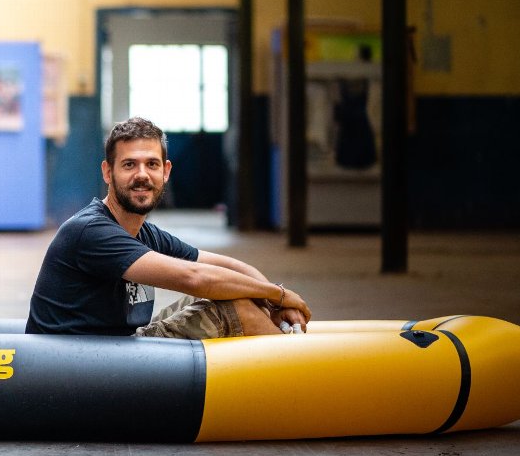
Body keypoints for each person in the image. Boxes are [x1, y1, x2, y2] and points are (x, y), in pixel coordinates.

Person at [25, 117, 310, 339]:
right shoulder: (90, 231)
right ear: (107, 172)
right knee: (237, 310)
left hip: (116, 349)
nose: (141, 175)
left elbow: (227, 267)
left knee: (241, 293)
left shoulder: (144, 233)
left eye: (151, 164)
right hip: (79, 368)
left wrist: (275, 298)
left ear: (166, 171)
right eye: (129, 165)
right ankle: (302, 391)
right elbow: (195, 278)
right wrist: (280, 296)